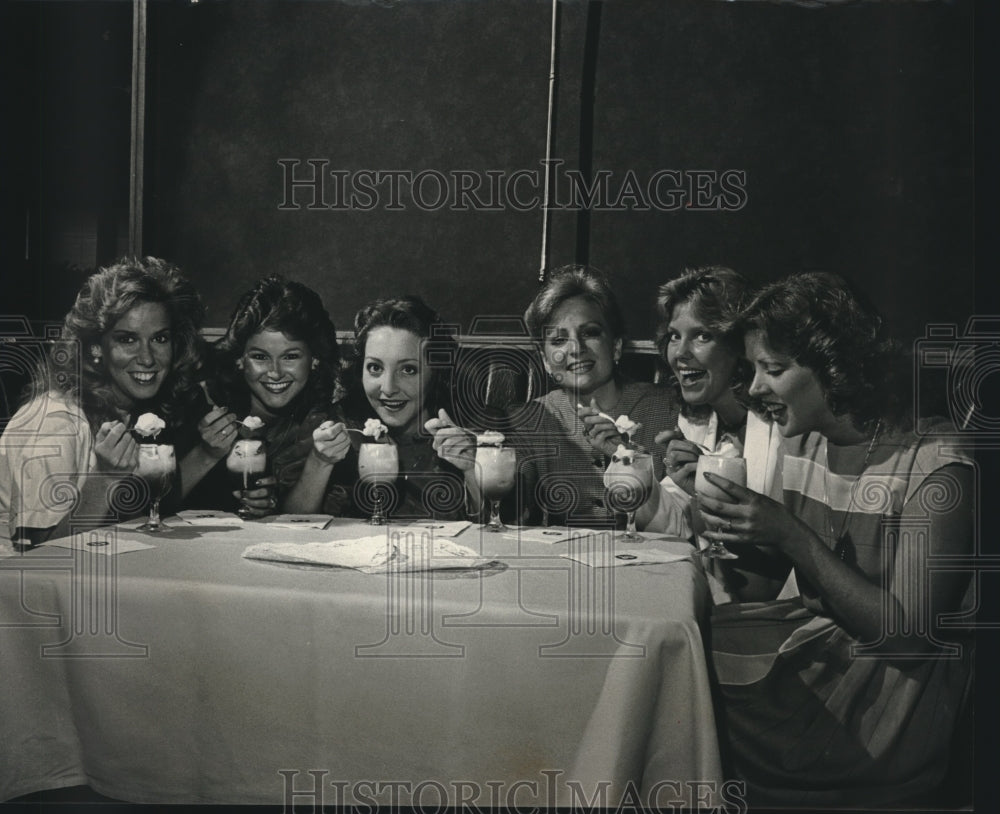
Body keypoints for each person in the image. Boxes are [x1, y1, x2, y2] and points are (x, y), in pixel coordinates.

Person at [697, 272, 974, 806]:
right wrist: (725, 530)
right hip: (818, 662)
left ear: (835, 365)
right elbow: (757, 589)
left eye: (772, 369)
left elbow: (908, 638)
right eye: (754, 368)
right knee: (675, 656)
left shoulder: (937, 464)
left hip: (889, 707)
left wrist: (792, 535)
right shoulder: (806, 442)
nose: (753, 388)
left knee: (683, 699)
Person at [0, 257, 205, 551]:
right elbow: (40, 553)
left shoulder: (132, 414)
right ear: (97, 347)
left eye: (160, 338)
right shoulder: (55, 421)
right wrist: (105, 478)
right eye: (127, 339)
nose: (147, 358)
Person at [634, 266, 786, 599]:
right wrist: (635, 470)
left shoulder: (785, 429)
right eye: (675, 335)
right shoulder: (695, 422)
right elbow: (674, 525)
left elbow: (772, 577)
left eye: (702, 335)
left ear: (739, 345)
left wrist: (707, 500)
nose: (680, 353)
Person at [487, 264, 679, 526]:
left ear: (616, 346)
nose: (575, 349)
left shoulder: (667, 408)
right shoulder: (531, 420)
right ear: (544, 360)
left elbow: (688, 522)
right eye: (558, 340)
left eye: (590, 333)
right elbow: (507, 515)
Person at [182, 275, 350, 517]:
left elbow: (301, 524)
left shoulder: (326, 422)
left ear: (314, 359)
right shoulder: (203, 406)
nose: (275, 373)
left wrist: (270, 509)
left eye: (290, 356)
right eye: (260, 357)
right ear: (240, 359)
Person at [317, 295, 471, 521]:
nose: (388, 388)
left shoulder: (467, 429)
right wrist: (318, 462)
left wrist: (472, 469)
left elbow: (497, 532)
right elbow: (291, 525)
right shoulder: (340, 427)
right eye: (375, 368)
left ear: (436, 372)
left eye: (408, 370)